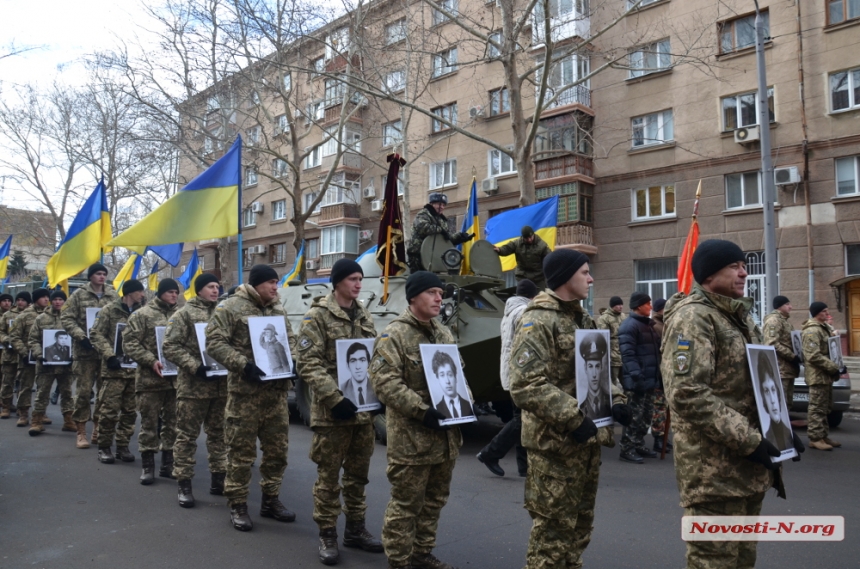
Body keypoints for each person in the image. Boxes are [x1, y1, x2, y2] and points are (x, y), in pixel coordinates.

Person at [661, 239, 804, 569]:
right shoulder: (694, 319)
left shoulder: (740, 318)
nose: (744, 273)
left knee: (742, 560)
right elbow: (687, 393)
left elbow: (758, 384)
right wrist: (752, 439)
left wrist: (779, 431)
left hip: (748, 468)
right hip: (715, 473)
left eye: (744, 266)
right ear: (710, 275)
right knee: (714, 562)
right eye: (734, 266)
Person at [509, 249, 631, 569]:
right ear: (565, 277)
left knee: (578, 526)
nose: (591, 279)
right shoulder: (538, 318)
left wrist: (616, 401)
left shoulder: (582, 318)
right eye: (584, 273)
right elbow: (525, 383)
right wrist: (573, 417)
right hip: (554, 445)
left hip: (585, 442)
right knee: (551, 533)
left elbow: (599, 371)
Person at [370, 271, 463, 569]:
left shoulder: (444, 333)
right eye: (432, 292)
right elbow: (384, 382)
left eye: (441, 292)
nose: (439, 298)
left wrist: (465, 408)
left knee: (435, 501)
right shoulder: (393, 335)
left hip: (444, 439)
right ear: (413, 297)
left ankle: (422, 553)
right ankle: (398, 561)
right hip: (411, 442)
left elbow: (459, 375)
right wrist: (422, 410)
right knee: (406, 505)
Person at [296, 258, 383, 565]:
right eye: (352, 279)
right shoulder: (317, 316)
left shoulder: (364, 314)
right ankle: (328, 533)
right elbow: (307, 361)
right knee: (329, 476)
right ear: (337, 282)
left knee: (358, 475)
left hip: (363, 410)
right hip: (332, 412)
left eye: (360, 279)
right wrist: (334, 398)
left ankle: (356, 529)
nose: (358, 284)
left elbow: (373, 358)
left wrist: (380, 392)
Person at [206, 264, 297, 532]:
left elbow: (290, 340)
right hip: (245, 396)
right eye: (271, 282)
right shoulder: (230, 307)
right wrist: (243, 364)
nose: (275, 287)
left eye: (277, 283)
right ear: (257, 284)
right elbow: (213, 343)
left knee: (277, 454)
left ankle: (270, 500)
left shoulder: (278, 308)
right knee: (241, 455)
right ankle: (238, 505)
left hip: (276, 396)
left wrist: (294, 363)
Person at [163, 273, 228, 508]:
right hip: (193, 388)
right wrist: (194, 366)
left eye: (217, 287)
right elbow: (169, 346)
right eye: (210, 286)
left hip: (221, 386)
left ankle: (219, 480)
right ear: (199, 289)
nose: (215, 290)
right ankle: (184, 484)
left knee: (219, 435)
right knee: (187, 437)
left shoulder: (224, 313)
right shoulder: (184, 314)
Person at [476, 279, 537, 478]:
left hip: (512, 371)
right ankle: (490, 453)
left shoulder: (511, 311)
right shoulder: (523, 312)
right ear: (532, 296)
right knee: (521, 419)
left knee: (522, 418)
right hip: (522, 372)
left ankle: (524, 466)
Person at [123, 278, 180, 482]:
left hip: (174, 380)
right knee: (149, 424)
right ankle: (148, 467)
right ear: (161, 292)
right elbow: (129, 343)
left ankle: (168, 464)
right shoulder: (142, 315)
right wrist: (151, 360)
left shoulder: (179, 315)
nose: (174, 295)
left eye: (176, 292)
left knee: (172, 424)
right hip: (149, 380)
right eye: (170, 292)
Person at [61, 262, 119, 449]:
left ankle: (98, 428)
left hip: (106, 353)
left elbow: (119, 319)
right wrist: (80, 336)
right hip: (85, 353)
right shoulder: (79, 294)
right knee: (84, 393)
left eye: (104, 273)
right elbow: (67, 318)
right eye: (98, 273)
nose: (101, 276)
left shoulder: (112, 294)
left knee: (104, 394)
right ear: (90, 276)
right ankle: (81, 431)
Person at [90, 280, 145, 465]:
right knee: (109, 410)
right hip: (114, 370)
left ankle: (123, 445)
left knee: (130, 411)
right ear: (129, 293)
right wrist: (109, 355)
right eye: (139, 292)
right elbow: (96, 334)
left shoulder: (142, 311)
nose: (142, 295)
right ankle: (104, 447)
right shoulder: (109, 310)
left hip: (135, 370)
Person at [618, 291, 661, 464]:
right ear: (638, 306)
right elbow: (628, 355)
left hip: (650, 379)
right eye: (648, 303)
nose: (651, 307)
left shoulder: (647, 325)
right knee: (634, 416)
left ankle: (638, 443)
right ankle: (626, 448)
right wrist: (637, 375)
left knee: (646, 415)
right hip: (637, 380)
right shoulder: (629, 326)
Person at [26, 290, 74, 435]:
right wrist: (40, 354)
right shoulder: (41, 318)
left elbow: (77, 338)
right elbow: (32, 339)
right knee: (42, 393)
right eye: (55, 299)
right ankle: (36, 422)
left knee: (67, 393)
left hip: (66, 365)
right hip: (45, 364)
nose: (58, 302)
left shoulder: (71, 318)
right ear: (51, 301)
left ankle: (68, 421)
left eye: (61, 299)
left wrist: (74, 355)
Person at [801, 301, 844, 451]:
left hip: (825, 375)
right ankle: (815, 438)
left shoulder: (823, 328)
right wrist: (834, 367)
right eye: (824, 311)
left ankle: (823, 435)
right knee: (817, 408)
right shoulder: (812, 331)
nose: (827, 313)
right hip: (818, 375)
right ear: (817, 313)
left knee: (825, 407)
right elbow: (813, 355)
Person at [9, 288, 50, 428]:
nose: (46, 299)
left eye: (47, 297)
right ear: (36, 299)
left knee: (43, 387)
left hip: (45, 358)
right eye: (43, 297)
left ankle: (41, 413)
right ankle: (23, 413)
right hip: (27, 358)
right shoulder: (24, 316)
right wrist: (24, 353)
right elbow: (14, 337)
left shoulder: (51, 315)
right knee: (25, 386)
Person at [406, 193, 474, 273]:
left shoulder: (441, 220)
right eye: (439, 204)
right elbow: (423, 228)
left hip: (435, 256)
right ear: (432, 204)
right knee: (419, 280)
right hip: (418, 254)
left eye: (443, 205)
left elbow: (446, 238)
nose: (441, 207)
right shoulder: (424, 214)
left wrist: (460, 237)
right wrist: (440, 230)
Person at [763, 295, 801, 406]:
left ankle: (786, 423)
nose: (791, 307)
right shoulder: (773, 321)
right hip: (780, 370)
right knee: (780, 404)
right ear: (779, 306)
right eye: (787, 304)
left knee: (787, 403)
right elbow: (771, 343)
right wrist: (792, 356)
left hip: (788, 369)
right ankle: (780, 424)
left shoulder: (785, 321)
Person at [0, 291, 30, 419]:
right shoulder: (7, 315)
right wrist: (7, 340)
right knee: (7, 382)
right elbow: (1, 331)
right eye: (18, 300)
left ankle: (21, 407)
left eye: (23, 300)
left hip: (24, 354)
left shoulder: (31, 315)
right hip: (10, 354)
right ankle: (6, 406)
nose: (20, 302)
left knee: (23, 383)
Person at [493, 226, 551, 291]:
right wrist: (500, 250)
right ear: (523, 237)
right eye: (526, 238)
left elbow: (549, 259)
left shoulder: (542, 245)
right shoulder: (517, 243)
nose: (529, 240)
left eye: (530, 237)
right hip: (523, 277)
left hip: (538, 278)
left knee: (540, 298)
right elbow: (507, 248)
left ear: (533, 234)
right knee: (522, 298)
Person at [649, 298, 671, 453]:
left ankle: (663, 437)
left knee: (664, 407)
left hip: (665, 371)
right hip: (659, 372)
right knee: (659, 407)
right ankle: (658, 439)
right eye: (665, 308)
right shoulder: (657, 326)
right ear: (659, 310)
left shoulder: (664, 324)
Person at [758, 354, 792, 451]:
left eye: (773, 390)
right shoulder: (767, 436)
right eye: (766, 391)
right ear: (763, 398)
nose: (772, 400)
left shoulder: (787, 432)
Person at [578, 332, 612, 421]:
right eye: (590, 366)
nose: (594, 374)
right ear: (585, 368)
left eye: (597, 366)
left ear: (601, 367)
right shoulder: (580, 408)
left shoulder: (610, 402)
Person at [432, 350, 473, 419]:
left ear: (455, 377)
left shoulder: (468, 405)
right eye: (442, 375)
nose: (447, 381)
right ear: (438, 379)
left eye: (450, 375)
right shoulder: (437, 409)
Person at [596, 296, 624, 390]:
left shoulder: (623, 316)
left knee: (627, 381)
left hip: (624, 353)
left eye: (621, 304)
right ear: (612, 306)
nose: (621, 306)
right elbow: (603, 338)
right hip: (612, 356)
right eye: (618, 305)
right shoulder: (604, 318)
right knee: (612, 382)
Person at [341, 342, 377, 407]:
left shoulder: (377, 387)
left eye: (362, 360)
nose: (358, 367)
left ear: (369, 364)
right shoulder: (341, 389)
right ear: (347, 366)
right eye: (353, 361)